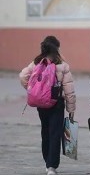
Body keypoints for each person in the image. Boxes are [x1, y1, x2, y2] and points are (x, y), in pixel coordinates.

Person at [19, 36, 76, 175]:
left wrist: (33, 90)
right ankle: (52, 166)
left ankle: (47, 162)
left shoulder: (37, 62)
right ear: (57, 48)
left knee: (45, 131)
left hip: (41, 103)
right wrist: (71, 109)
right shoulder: (62, 64)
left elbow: (22, 76)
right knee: (55, 133)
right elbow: (69, 89)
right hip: (56, 103)